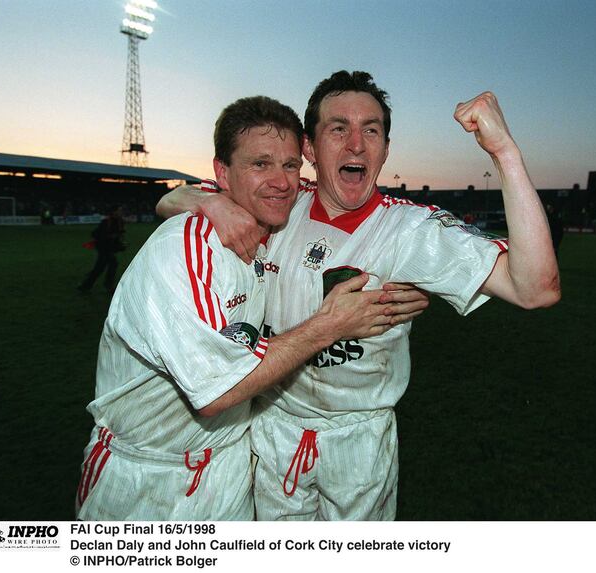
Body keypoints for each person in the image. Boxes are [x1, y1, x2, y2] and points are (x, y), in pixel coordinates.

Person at [157, 71, 561, 520]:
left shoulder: (409, 229)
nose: (356, 144)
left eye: (371, 130)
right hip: (272, 431)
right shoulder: (279, 200)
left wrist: (504, 152)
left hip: (359, 445)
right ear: (309, 148)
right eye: (338, 129)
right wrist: (211, 203)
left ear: (386, 150)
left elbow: (535, 288)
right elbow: (170, 200)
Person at [76, 96, 397, 521]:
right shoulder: (184, 248)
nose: (281, 182)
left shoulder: (271, 230)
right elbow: (215, 392)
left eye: (288, 165)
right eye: (259, 164)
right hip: (147, 479)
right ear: (221, 173)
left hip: (231, 468)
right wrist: (330, 325)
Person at [78, 205, 125, 293]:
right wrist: (108, 237)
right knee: (112, 264)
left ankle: (85, 286)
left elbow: (119, 235)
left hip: (109, 248)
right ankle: (108, 286)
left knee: (100, 268)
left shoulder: (120, 222)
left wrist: (119, 244)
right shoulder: (106, 222)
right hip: (103, 248)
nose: (121, 212)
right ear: (114, 212)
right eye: (119, 210)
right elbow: (95, 234)